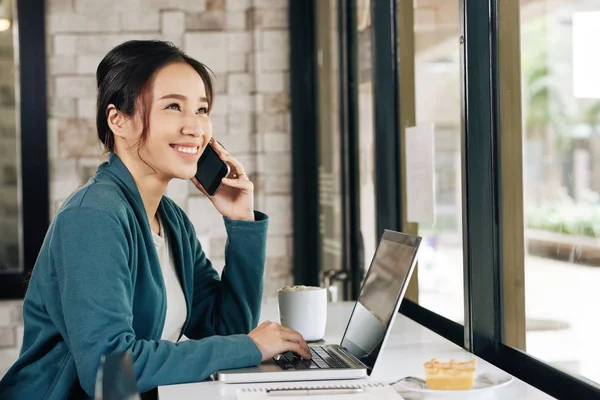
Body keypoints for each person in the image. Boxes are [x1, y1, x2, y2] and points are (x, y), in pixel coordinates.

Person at [0, 40, 311, 399]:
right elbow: (109, 371)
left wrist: (242, 223)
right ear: (118, 120)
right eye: (174, 107)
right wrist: (251, 347)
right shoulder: (93, 217)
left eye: (202, 109)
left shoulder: (170, 219)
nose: (195, 127)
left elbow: (226, 329)